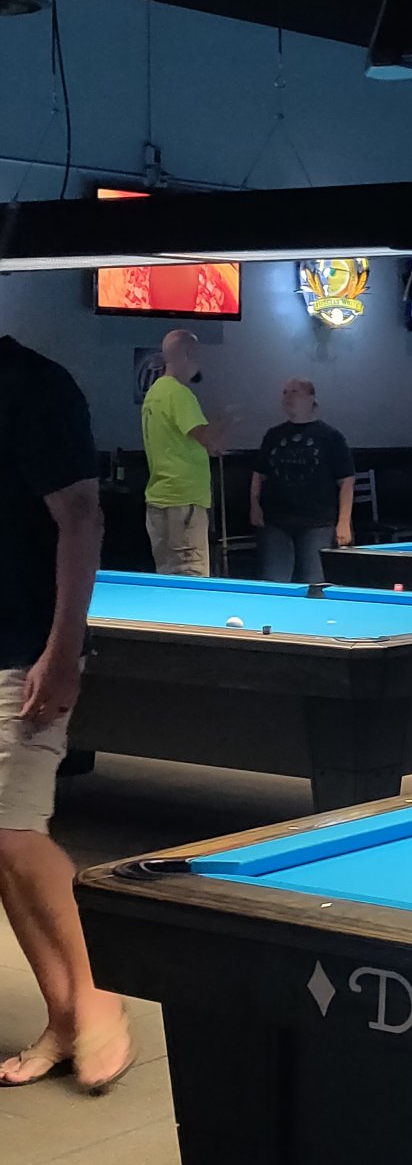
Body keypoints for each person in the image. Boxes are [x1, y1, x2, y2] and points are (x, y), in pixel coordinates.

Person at [0, 336, 134, 1092]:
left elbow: (83, 518)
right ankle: (63, 1017)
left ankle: (99, 993)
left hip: (23, 650)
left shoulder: (32, 385)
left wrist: (62, 651)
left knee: (14, 833)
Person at [141, 329, 232, 576]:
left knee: (168, 575)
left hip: (159, 499)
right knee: (190, 574)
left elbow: (179, 439)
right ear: (189, 353)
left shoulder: (155, 393)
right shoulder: (179, 393)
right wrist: (228, 418)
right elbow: (207, 436)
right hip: (184, 501)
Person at [250, 378, 356, 583]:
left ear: (310, 398)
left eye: (294, 392)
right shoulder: (273, 435)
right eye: (285, 392)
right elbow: (259, 473)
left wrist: (343, 522)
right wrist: (254, 505)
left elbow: (346, 481)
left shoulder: (330, 437)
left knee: (314, 582)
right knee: (274, 581)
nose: (287, 397)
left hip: (317, 521)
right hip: (276, 520)